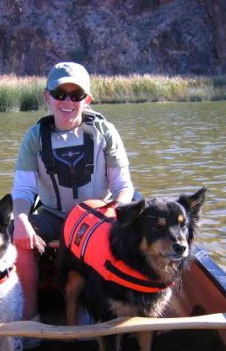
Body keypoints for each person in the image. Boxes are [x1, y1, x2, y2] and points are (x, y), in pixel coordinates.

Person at [11, 62, 135, 321]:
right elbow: (23, 190)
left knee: (129, 233)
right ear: (47, 96)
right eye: (59, 94)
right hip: (53, 216)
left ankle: (115, 311)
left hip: (98, 215)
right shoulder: (35, 138)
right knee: (15, 235)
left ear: (87, 100)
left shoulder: (105, 132)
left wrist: (113, 212)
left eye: (76, 95)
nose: (67, 101)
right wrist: (22, 220)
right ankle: (29, 320)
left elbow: (123, 187)